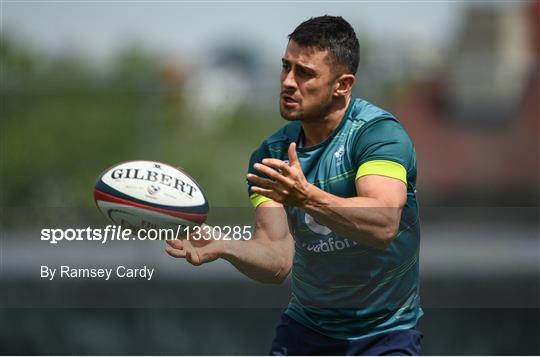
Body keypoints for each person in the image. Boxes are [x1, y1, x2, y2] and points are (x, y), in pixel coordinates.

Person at [166, 15, 422, 355]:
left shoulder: (377, 135)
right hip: (306, 332)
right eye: (285, 67)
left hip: (384, 334)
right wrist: (224, 245)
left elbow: (384, 223)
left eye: (305, 73)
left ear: (342, 85)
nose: (288, 82)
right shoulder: (271, 154)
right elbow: (277, 258)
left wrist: (305, 197)